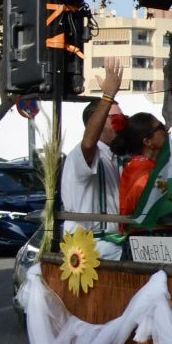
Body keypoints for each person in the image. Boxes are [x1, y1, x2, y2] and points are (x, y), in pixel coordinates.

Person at [60, 63, 127, 260]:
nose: (121, 123)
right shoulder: (81, 155)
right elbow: (88, 144)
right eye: (114, 118)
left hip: (115, 244)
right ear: (95, 122)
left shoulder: (119, 156)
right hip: (91, 248)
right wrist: (107, 97)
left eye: (122, 117)